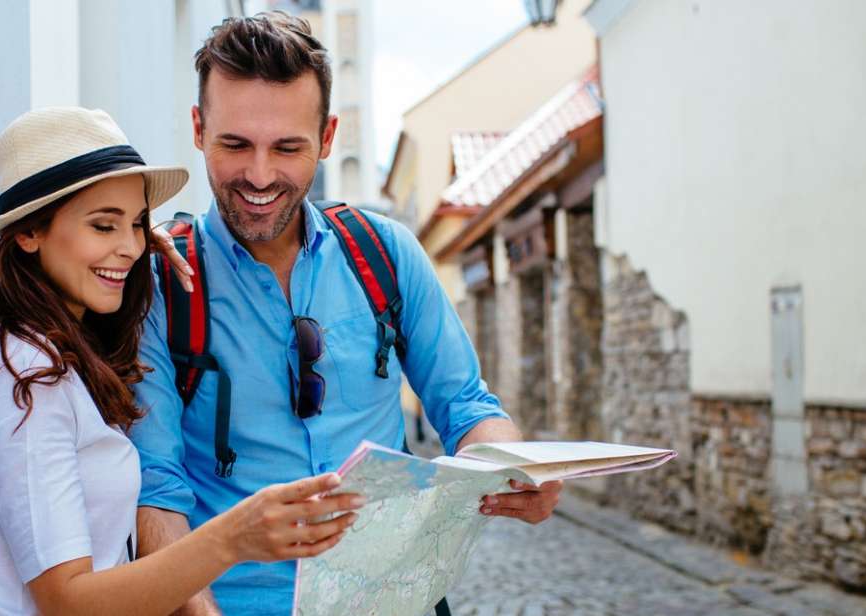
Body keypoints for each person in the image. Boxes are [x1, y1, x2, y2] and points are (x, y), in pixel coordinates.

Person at [132, 12, 563, 616]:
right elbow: (155, 487)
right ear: (200, 129)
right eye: (235, 144)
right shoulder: (155, 281)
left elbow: (466, 407)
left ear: (328, 137)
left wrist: (515, 467)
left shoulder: (385, 253)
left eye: (287, 147)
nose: (259, 175)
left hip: (400, 598)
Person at [0, 106, 363, 615]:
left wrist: (130, 248)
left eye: (138, 225)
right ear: (28, 234)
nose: (128, 247)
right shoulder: (22, 380)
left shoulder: (53, 355)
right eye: (104, 226)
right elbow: (67, 602)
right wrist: (232, 538)